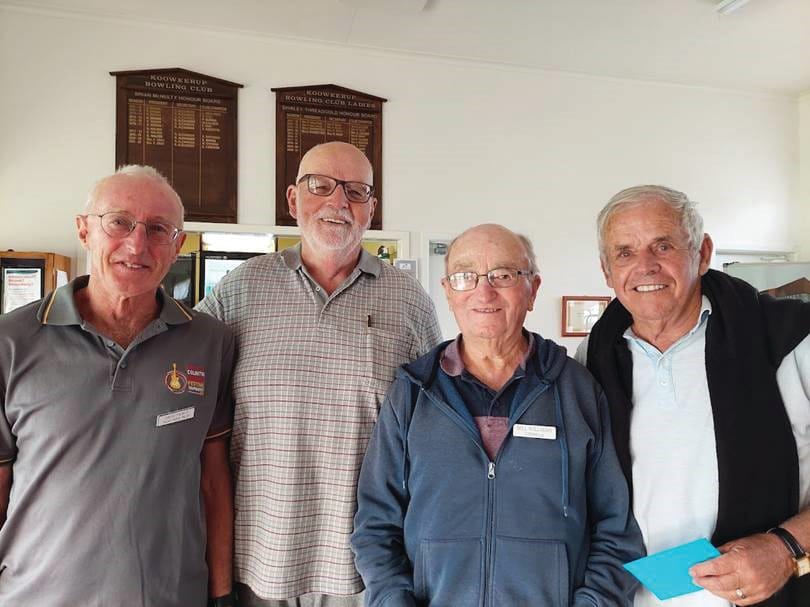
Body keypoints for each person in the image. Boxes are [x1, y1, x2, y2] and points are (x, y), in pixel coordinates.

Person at [196, 141, 442, 606]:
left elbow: (435, 432)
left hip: (366, 569)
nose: (338, 201)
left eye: (355, 190)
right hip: (257, 562)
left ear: (371, 209)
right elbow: (184, 379)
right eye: (320, 186)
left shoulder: (409, 300)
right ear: (293, 200)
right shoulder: (241, 288)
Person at [351, 223, 644, 606]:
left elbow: (616, 528)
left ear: (532, 289)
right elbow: (375, 525)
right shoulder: (412, 392)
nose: (483, 291)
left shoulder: (577, 391)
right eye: (465, 277)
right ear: (448, 292)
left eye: (503, 275)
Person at [0, 165, 237, 606]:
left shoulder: (210, 342)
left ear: (177, 245)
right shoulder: (10, 342)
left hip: (172, 596)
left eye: (158, 229)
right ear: (84, 230)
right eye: (119, 222)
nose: (136, 244)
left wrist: (222, 593)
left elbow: (212, 479)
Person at [576, 185, 810, 607]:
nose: (645, 266)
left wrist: (786, 547)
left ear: (702, 253)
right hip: (629, 598)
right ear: (607, 271)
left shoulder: (790, 340)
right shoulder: (593, 358)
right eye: (625, 253)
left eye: (663, 246)